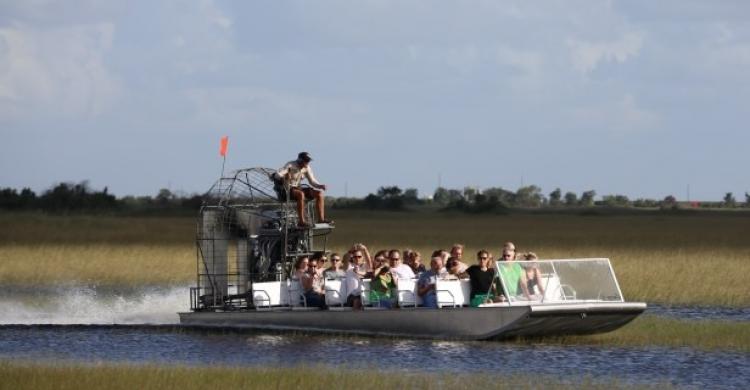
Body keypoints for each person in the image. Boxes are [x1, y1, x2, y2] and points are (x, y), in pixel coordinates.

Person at [274, 152, 332, 228]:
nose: (307, 163)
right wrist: (284, 178)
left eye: (308, 161)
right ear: (300, 160)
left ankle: (321, 219)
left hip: (298, 188)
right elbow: (277, 175)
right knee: (300, 194)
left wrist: (320, 186)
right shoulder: (290, 165)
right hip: (287, 190)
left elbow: (312, 181)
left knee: (319, 194)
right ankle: (301, 222)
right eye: (306, 161)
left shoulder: (307, 168)